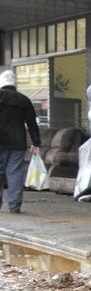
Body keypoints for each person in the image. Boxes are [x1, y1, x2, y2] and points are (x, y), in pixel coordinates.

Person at [0, 68, 41, 213]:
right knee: (15, 173)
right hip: (18, 142)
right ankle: (14, 206)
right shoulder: (24, 100)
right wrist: (36, 142)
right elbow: (32, 123)